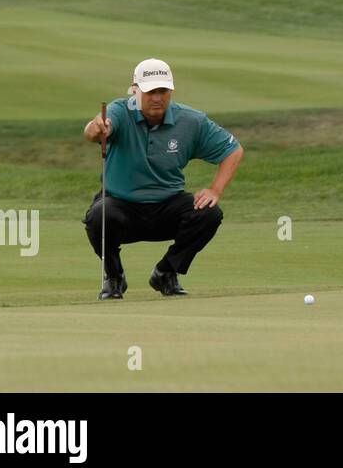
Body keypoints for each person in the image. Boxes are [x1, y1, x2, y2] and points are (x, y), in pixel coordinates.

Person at [82, 58, 244, 299]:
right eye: (150, 92)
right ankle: (114, 276)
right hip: (121, 206)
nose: (157, 97)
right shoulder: (119, 110)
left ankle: (166, 272)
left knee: (209, 213)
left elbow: (233, 150)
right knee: (99, 215)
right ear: (135, 91)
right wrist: (96, 130)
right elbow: (94, 130)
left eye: (162, 91)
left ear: (171, 91)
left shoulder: (190, 120)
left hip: (168, 205)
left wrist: (215, 190)